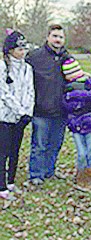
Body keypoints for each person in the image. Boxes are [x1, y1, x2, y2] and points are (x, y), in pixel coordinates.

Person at [26, 24, 69, 185]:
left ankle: (49, 171)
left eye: (61, 37)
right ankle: (36, 174)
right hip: (41, 110)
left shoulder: (67, 58)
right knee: (39, 145)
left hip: (61, 110)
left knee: (55, 144)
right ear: (48, 37)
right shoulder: (35, 56)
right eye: (55, 36)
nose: (58, 40)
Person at [0, 30, 34, 200]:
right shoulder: (3, 67)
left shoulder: (27, 68)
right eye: (19, 49)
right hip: (5, 116)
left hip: (21, 117)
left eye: (24, 49)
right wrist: (19, 110)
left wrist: (27, 112)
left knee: (15, 150)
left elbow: (30, 90)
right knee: (3, 151)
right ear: (10, 50)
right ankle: (2, 186)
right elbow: (4, 93)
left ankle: (11, 181)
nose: (23, 52)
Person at [62, 58, 91, 191]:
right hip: (75, 124)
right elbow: (67, 105)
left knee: (89, 151)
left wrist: (77, 96)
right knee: (81, 152)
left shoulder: (90, 83)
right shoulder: (67, 88)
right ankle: (80, 176)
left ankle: (89, 177)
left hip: (90, 123)